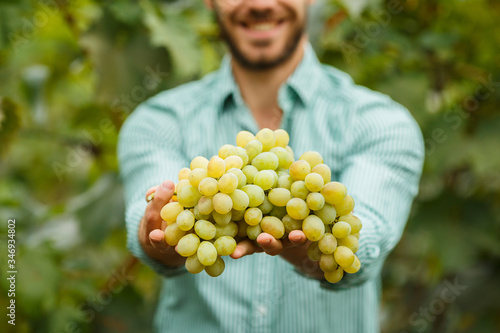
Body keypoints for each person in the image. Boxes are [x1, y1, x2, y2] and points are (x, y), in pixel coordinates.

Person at [118, 0, 424, 332]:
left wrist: (312, 247)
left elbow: (362, 246)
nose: (261, 3)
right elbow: (148, 221)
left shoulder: (381, 123)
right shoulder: (158, 122)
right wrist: (157, 239)